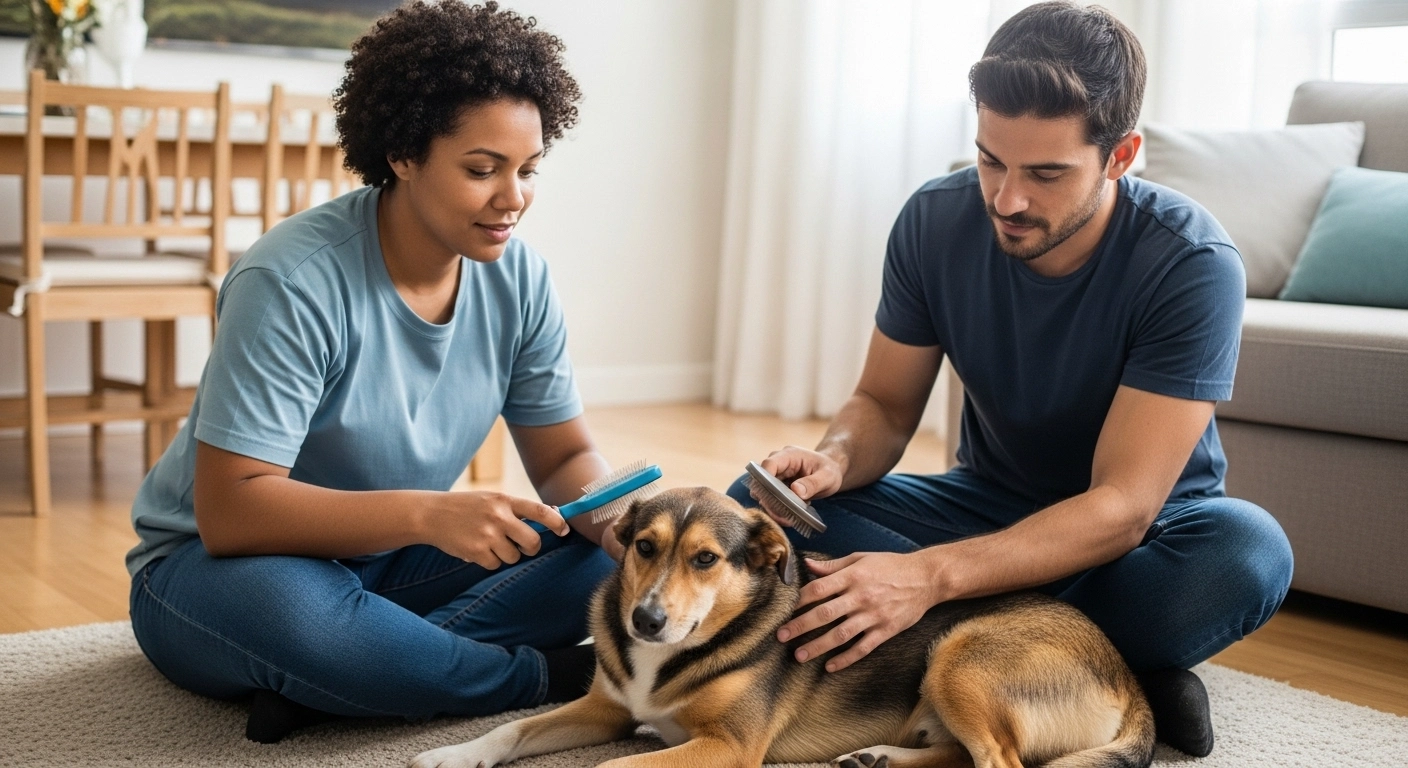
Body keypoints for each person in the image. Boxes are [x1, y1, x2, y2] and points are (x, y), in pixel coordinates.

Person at [728, 2, 1292, 757]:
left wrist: (929, 578)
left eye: (1047, 173)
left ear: (1122, 155)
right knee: (758, 510)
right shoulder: (932, 221)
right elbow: (884, 405)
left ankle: (999, 653)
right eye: (991, 159)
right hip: (985, 511)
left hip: (1137, 543)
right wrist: (834, 457)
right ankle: (1099, 670)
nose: (1007, 199)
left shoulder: (1192, 264)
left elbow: (1122, 507)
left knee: (1249, 553)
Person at [127, 1, 615, 743]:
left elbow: (566, 458)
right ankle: (546, 676)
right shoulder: (291, 280)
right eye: (482, 169)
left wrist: (614, 517)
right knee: (300, 622)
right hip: (223, 567)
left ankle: (355, 679)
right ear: (404, 154)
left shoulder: (521, 279)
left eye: (527, 170)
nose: (512, 198)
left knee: (596, 559)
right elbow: (232, 514)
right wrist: (428, 513)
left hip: (384, 561)